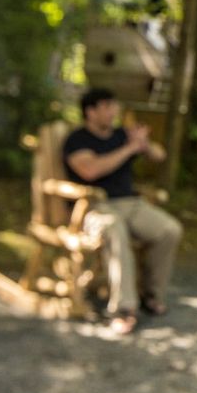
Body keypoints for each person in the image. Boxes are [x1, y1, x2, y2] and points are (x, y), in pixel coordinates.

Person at [64, 87, 183, 335]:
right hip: (94, 206)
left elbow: (159, 156)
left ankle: (150, 295)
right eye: (107, 106)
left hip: (131, 204)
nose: (113, 111)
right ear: (90, 112)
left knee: (170, 230)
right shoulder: (77, 140)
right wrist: (129, 149)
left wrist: (143, 143)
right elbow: (90, 170)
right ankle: (124, 309)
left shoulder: (121, 134)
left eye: (114, 106)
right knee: (115, 232)